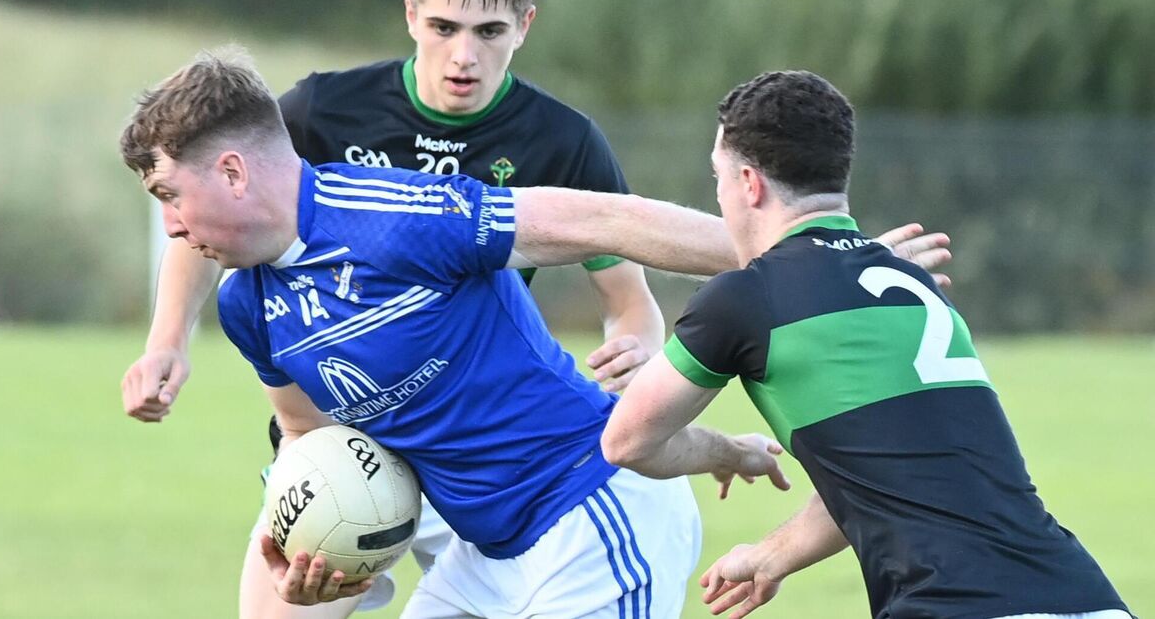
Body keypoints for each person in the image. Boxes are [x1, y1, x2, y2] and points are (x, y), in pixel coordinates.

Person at [119, 49, 794, 618]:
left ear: (232, 172)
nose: (171, 225)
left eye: (170, 195)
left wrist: (797, 254)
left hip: (590, 515)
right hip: (484, 558)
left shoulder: (395, 218)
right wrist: (313, 541)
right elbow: (309, 436)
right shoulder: (247, 306)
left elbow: (605, 221)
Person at [600, 71, 1132, 619]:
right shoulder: (913, 283)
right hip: (1086, 595)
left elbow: (626, 442)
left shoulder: (745, 297)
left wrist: (731, 453)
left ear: (749, 183)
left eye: (718, 176)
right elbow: (887, 473)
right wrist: (770, 556)